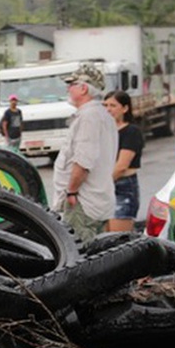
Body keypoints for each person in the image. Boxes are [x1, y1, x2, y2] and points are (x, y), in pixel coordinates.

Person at [53, 64, 118, 241]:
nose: (68, 88)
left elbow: (83, 162)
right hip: (98, 201)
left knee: (81, 257)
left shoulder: (89, 117)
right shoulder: (103, 115)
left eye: (72, 84)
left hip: (83, 204)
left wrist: (71, 192)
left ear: (83, 88)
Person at [104, 90, 143, 233]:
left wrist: (103, 183)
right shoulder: (104, 131)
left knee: (117, 239)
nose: (108, 109)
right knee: (102, 239)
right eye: (106, 105)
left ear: (125, 108)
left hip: (123, 186)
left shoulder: (131, 132)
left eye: (113, 106)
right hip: (105, 187)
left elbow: (121, 166)